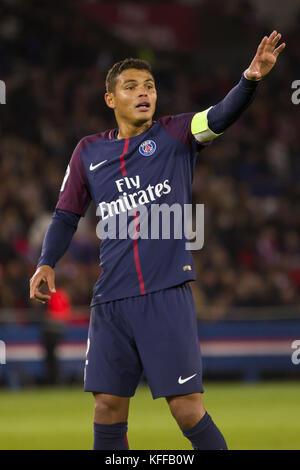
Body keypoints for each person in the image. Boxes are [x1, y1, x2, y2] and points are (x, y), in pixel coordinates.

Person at [30, 31, 285, 450]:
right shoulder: (88, 152)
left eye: (149, 86)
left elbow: (220, 115)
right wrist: (46, 261)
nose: (144, 93)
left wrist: (250, 79)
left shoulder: (177, 134)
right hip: (110, 299)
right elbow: (65, 214)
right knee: (107, 408)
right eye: (131, 87)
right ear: (110, 99)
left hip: (164, 293)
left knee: (186, 408)